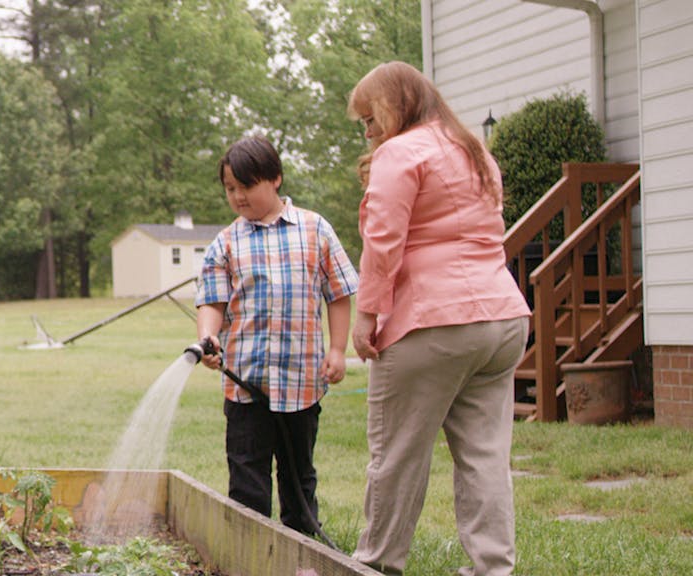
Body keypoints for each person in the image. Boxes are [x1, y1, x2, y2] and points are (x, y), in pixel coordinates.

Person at [346, 61, 531, 576]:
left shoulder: (400, 152)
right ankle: (492, 569)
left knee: (398, 456)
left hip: (432, 321)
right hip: (503, 318)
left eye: (369, 118)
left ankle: (376, 565)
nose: (366, 131)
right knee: (485, 456)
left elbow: (383, 241)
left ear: (393, 104)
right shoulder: (473, 149)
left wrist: (367, 316)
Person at [194, 134, 359, 536]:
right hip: (246, 386)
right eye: (230, 189)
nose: (238, 197)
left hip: (301, 385)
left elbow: (338, 294)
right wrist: (208, 338)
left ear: (276, 178)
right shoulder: (227, 242)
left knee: (298, 478)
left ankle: (302, 549)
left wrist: (338, 349)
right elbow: (212, 302)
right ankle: (249, 554)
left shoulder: (315, 229)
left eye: (246, 186)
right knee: (247, 481)